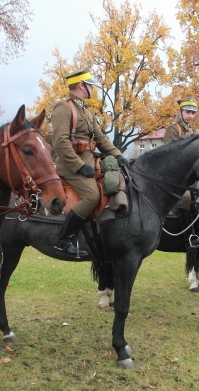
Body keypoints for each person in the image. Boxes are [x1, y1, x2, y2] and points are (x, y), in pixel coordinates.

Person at [51, 67, 128, 257]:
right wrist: (79, 166)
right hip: (70, 165)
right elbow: (60, 142)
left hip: (89, 160)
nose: (93, 88)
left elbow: (101, 139)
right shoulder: (63, 107)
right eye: (90, 85)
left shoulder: (86, 110)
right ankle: (63, 240)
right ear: (80, 85)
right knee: (92, 196)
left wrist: (118, 155)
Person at [163, 97, 199, 248]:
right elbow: (168, 153)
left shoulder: (191, 130)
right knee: (186, 198)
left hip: (189, 176)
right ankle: (189, 236)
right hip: (174, 175)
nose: (190, 116)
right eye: (188, 112)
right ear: (180, 112)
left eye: (193, 113)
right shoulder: (173, 129)